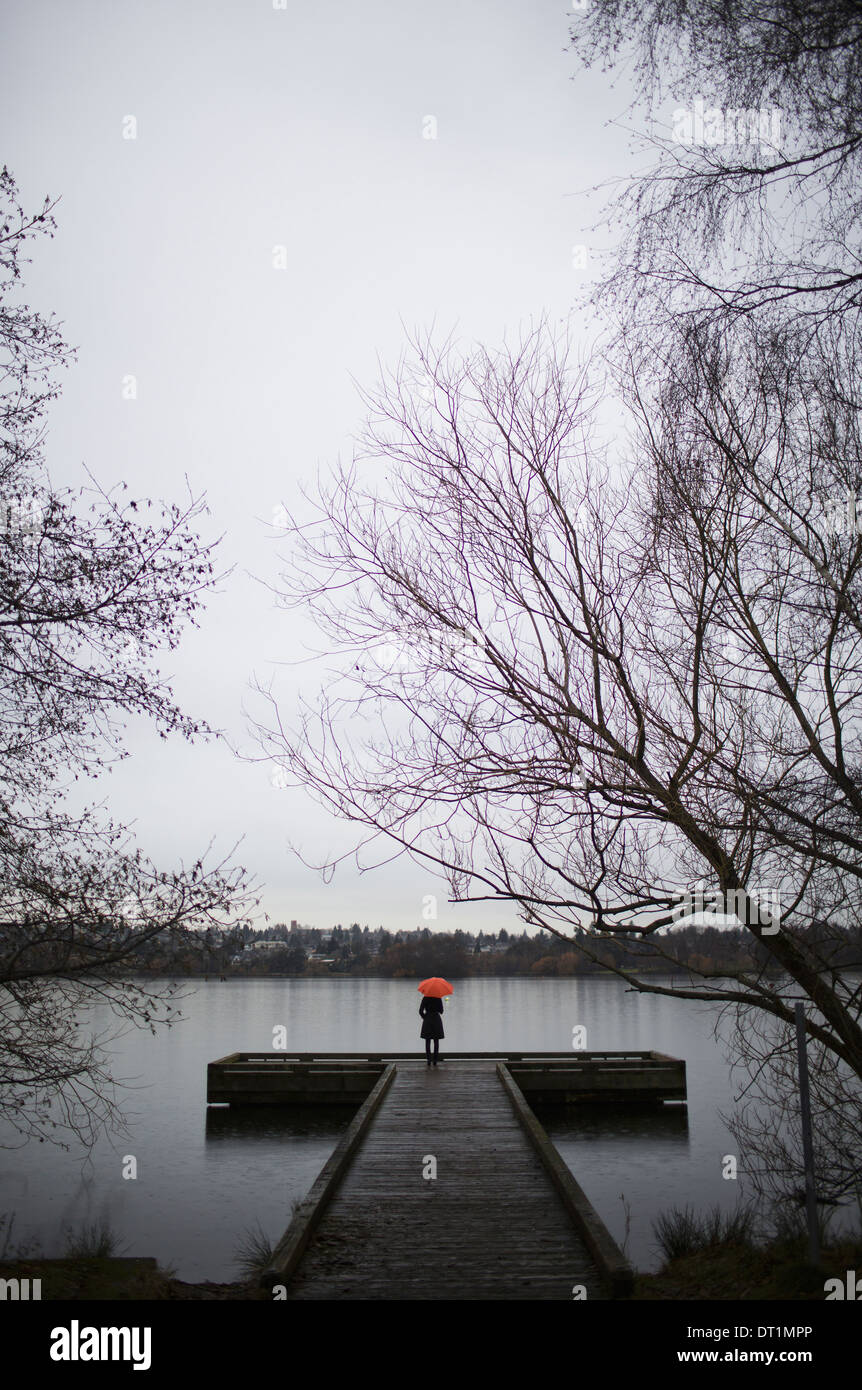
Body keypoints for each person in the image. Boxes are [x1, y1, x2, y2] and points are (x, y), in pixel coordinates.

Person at [419, 994, 444, 1067]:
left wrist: (425, 1017)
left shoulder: (425, 998)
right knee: (436, 1041)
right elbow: (441, 1011)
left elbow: (420, 1011)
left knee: (427, 1040)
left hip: (428, 1019)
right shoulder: (438, 997)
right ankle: (435, 1060)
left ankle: (429, 1060)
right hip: (436, 1019)